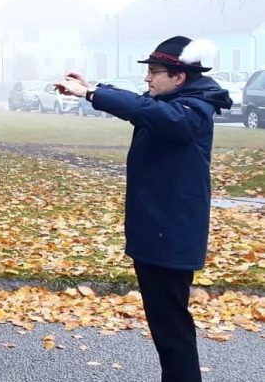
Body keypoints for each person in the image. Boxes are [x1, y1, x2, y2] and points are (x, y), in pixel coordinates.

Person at [54, 36, 231, 382]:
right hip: (157, 233)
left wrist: (91, 95)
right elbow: (141, 106)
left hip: (171, 237)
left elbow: (147, 111)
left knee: (172, 330)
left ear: (179, 77)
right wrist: (94, 88)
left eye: (155, 72)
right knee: (167, 328)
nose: (148, 79)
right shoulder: (175, 105)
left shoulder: (190, 114)